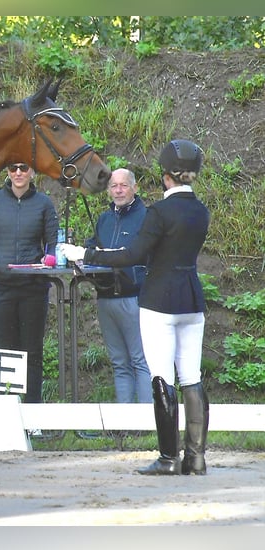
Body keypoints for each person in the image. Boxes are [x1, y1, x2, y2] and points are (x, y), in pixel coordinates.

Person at [61, 140, 210, 475]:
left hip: (159, 300)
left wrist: (85, 254)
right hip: (192, 299)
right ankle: (196, 457)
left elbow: (132, 255)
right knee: (191, 377)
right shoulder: (200, 211)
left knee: (161, 376)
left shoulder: (159, 212)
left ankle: (169, 458)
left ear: (165, 176)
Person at [0, 162, 59, 405]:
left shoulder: (44, 204)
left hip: (33, 288)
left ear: (32, 172)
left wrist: (47, 259)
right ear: (7, 172)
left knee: (32, 352)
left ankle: (33, 413)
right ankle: (7, 410)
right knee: (5, 350)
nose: (18, 173)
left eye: (23, 168)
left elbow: (52, 244)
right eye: (12, 168)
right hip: (0, 287)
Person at [85, 168, 152, 405]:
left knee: (140, 360)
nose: (118, 190)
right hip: (105, 297)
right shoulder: (104, 219)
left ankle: (145, 424)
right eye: (114, 186)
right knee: (119, 362)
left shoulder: (146, 216)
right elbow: (90, 248)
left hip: (134, 297)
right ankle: (124, 425)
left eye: (124, 185)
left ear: (134, 187)